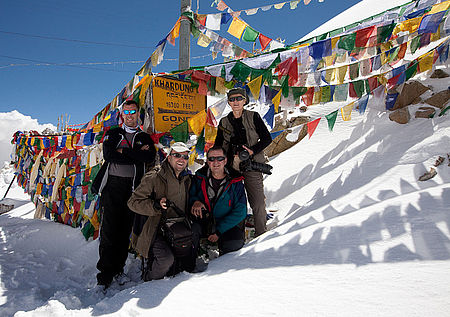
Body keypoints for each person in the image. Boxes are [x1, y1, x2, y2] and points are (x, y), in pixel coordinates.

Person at [92, 99, 156, 292]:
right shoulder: (113, 133)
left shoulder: (144, 137)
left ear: (138, 114)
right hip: (112, 186)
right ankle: (104, 275)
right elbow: (110, 156)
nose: (130, 116)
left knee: (124, 231)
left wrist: (124, 151)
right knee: (109, 232)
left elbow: (149, 157)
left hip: (134, 188)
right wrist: (135, 153)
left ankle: (118, 269)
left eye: (133, 112)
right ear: (122, 115)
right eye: (126, 112)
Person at [127, 142, 197, 281]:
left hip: (177, 229)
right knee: (165, 260)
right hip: (155, 230)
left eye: (184, 156)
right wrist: (155, 206)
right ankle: (149, 281)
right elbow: (133, 203)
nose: (181, 159)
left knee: (186, 263)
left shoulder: (187, 178)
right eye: (177, 155)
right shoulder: (154, 176)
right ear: (169, 157)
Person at [214, 88, 272, 236]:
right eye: (232, 99)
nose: (236, 102)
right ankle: (236, 237)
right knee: (234, 204)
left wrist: (252, 150)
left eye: (239, 98)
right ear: (228, 102)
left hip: (252, 165)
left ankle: (262, 234)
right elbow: (218, 146)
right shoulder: (224, 122)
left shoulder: (253, 117)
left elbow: (267, 139)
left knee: (258, 203)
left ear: (245, 100)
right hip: (231, 168)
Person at [190, 145, 247, 255]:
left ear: (225, 160)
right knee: (190, 232)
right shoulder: (199, 177)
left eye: (219, 158)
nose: (216, 162)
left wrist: (219, 231)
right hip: (204, 221)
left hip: (225, 223)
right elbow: (191, 195)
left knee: (234, 243)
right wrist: (195, 201)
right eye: (212, 159)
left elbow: (241, 211)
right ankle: (192, 262)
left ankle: (221, 267)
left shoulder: (235, 181)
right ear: (207, 161)